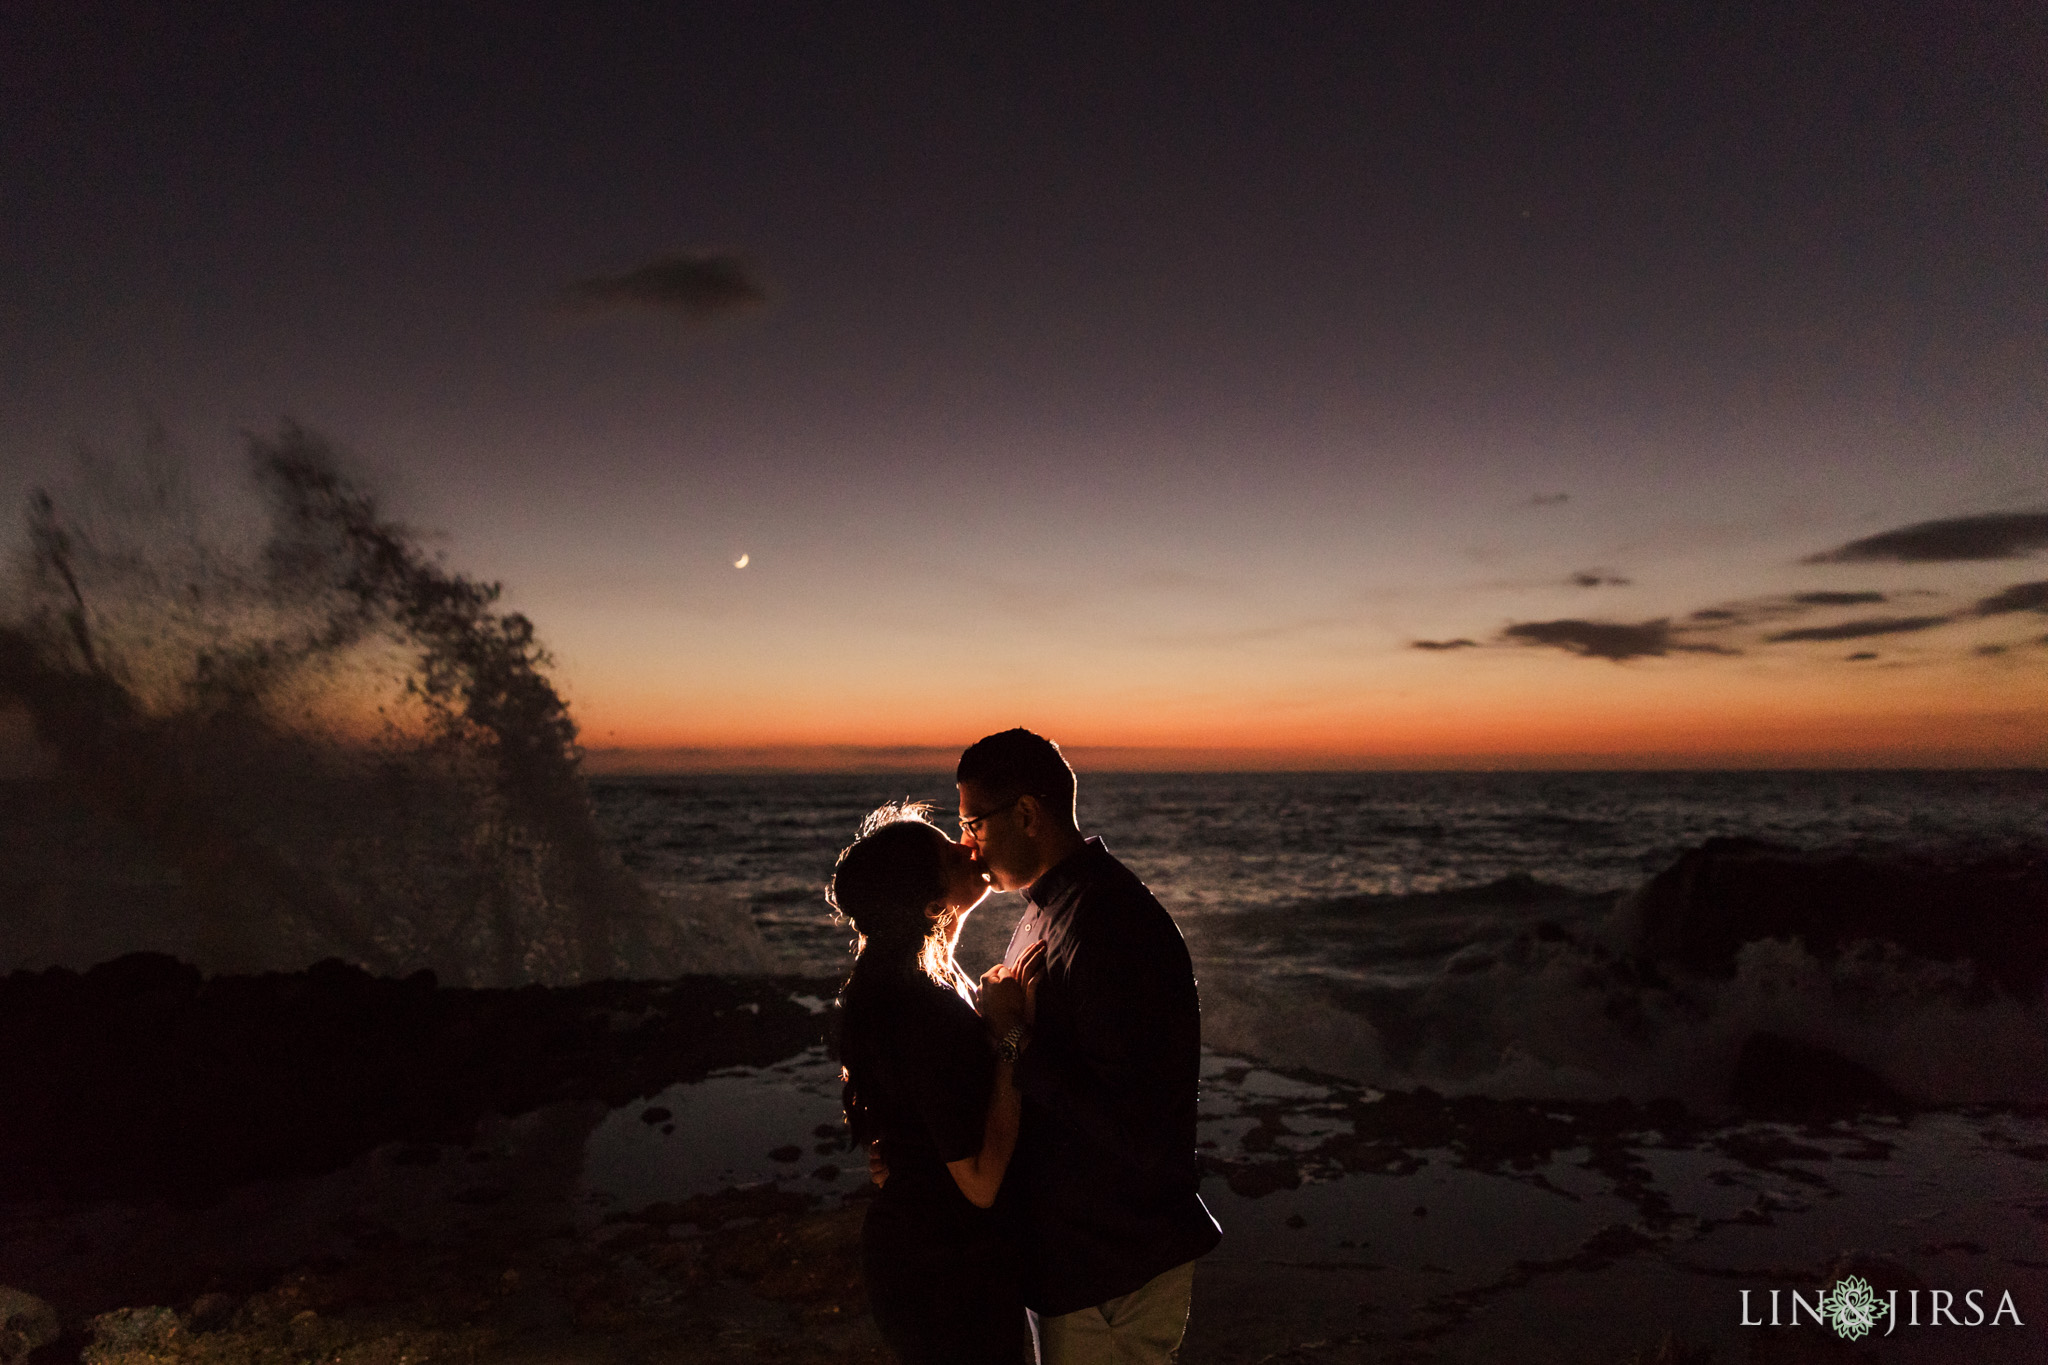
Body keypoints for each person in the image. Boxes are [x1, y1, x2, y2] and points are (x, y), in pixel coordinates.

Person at [957, 728, 1222, 1364]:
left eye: (974, 824)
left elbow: (1135, 1128)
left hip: (1115, 1263)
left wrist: (1012, 1035)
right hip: (1074, 1254)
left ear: (1025, 813)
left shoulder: (1109, 923)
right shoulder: (1049, 906)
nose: (967, 847)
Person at [831, 801, 1045, 1365]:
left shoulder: (925, 982)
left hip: (945, 1253)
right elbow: (978, 1181)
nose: (967, 846)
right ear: (932, 905)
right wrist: (1010, 1035)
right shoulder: (919, 1007)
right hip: (942, 1269)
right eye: (948, 851)